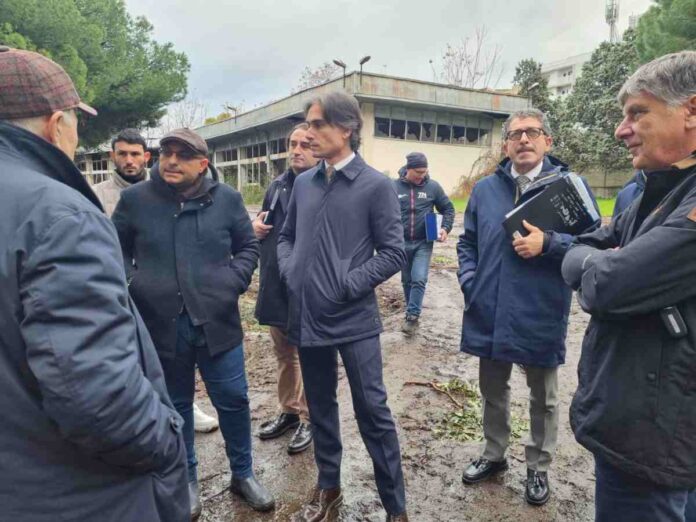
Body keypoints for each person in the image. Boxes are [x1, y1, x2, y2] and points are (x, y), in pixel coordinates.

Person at [0, 46, 189, 521]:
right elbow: (95, 396)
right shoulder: (57, 213)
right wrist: (167, 443)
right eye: (76, 122)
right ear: (55, 124)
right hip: (77, 492)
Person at [562, 51, 696, 522]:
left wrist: (596, 264)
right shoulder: (662, 188)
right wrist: (595, 259)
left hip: (656, 436)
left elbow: (608, 286)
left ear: (691, 110)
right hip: (651, 425)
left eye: (638, 113)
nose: (622, 130)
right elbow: (586, 246)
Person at [112, 128, 273, 519]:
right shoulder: (136, 200)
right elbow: (114, 250)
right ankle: (186, 479)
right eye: (166, 152)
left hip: (216, 322)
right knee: (176, 405)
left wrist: (232, 282)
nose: (171, 160)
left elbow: (248, 246)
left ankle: (243, 473)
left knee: (233, 400)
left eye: (182, 155)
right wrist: (137, 285)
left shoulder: (227, 199)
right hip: (161, 325)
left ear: (202, 164)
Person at [277, 91, 409, 522]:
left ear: (347, 128)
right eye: (308, 124)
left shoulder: (375, 185)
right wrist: (291, 270)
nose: (309, 133)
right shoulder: (303, 183)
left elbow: (394, 252)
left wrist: (347, 284)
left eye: (318, 125)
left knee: (373, 411)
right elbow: (286, 236)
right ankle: (328, 488)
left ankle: (396, 509)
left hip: (353, 318)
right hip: (308, 317)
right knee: (320, 407)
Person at [457, 108, 598, 506]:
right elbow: (467, 242)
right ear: (505, 145)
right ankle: (493, 453)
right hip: (490, 306)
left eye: (532, 132)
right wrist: (470, 282)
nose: (523, 140)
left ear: (547, 141)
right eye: (515, 134)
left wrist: (549, 244)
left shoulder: (569, 189)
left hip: (541, 306)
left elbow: (594, 245)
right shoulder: (485, 190)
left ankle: (538, 465)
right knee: (492, 389)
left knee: (544, 396)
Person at [94, 127, 219, 433]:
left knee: (171, 359)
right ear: (112, 156)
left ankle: (184, 407)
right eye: (122, 154)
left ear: (146, 157)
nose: (129, 160)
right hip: (118, 292)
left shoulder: (166, 191)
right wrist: (130, 280)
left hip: (164, 297)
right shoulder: (96, 195)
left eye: (135, 154)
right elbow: (106, 245)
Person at [253, 123, 316, 454]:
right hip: (275, 285)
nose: (297, 150)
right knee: (284, 355)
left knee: (310, 356)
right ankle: (289, 410)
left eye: (305, 144)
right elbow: (264, 222)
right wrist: (255, 227)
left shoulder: (325, 186)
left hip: (308, 288)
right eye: (293, 143)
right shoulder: (277, 185)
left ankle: (309, 417)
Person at [393, 151, 455, 335]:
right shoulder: (393, 187)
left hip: (423, 242)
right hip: (401, 242)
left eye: (425, 171)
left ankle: (412, 317)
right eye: (418, 172)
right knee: (407, 280)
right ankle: (410, 310)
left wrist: (445, 228)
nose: (422, 175)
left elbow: (448, 209)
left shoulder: (433, 187)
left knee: (419, 278)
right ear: (408, 169)